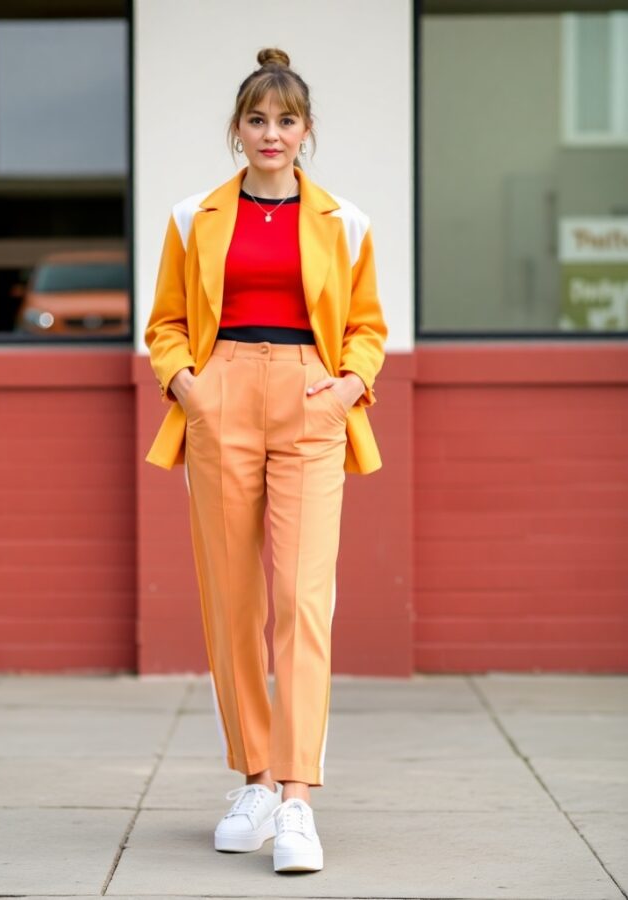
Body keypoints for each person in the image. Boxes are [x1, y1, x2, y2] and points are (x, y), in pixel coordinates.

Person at [144, 46, 388, 874]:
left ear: (307, 131)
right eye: (257, 119)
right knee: (232, 600)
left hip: (309, 403)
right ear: (237, 130)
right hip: (221, 401)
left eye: (286, 121)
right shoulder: (191, 218)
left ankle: (296, 800)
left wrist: (348, 387)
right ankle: (252, 778)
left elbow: (366, 326)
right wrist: (188, 386)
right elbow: (166, 322)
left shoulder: (344, 222)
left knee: (301, 600)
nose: (271, 133)